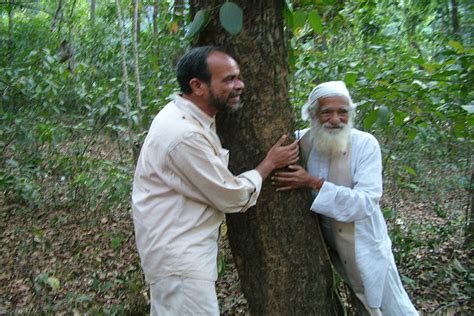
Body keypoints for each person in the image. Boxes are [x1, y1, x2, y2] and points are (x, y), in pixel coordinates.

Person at [131, 46, 299, 315]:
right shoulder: (184, 134)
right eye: (229, 79)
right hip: (180, 262)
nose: (240, 85)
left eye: (238, 77)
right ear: (197, 86)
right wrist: (269, 164)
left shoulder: (187, 118)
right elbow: (231, 196)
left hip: (179, 257)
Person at [272, 81, 418, 315]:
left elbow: (365, 202)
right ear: (312, 114)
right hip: (330, 246)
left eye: (342, 112)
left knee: (392, 307)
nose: (335, 119)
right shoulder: (301, 142)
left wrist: (312, 182)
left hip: (366, 244)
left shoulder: (365, 144)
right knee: (362, 306)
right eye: (326, 112)